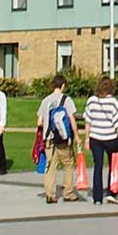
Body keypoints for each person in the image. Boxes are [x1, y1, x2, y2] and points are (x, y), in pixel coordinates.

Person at [36, 74, 81, 203]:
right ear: (63, 86)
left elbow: (39, 122)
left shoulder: (45, 100)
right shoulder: (67, 100)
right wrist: (76, 136)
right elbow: (72, 120)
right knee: (68, 164)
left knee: (51, 166)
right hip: (63, 138)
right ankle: (68, 193)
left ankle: (50, 194)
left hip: (49, 138)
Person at [84, 76, 118, 205]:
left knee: (98, 166)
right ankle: (112, 192)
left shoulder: (91, 101)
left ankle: (97, 197)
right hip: (110, 138)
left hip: (95, 137)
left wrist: (86, 138)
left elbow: (88, 122)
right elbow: (117, 123)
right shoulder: (113, 102)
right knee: (113, 166)